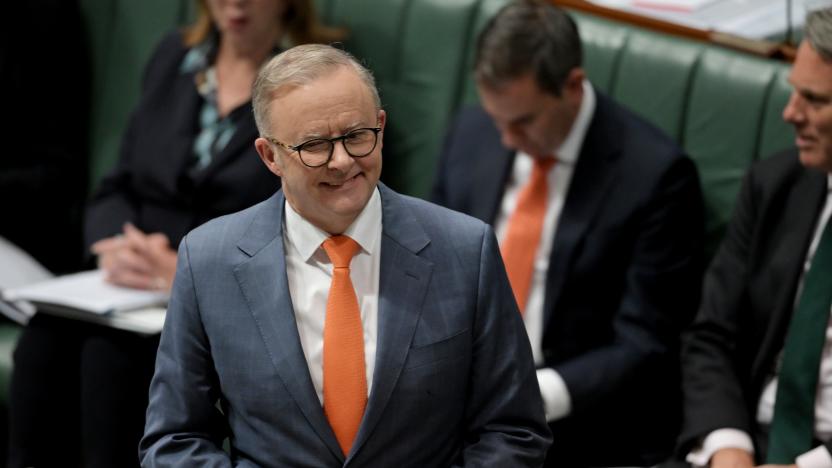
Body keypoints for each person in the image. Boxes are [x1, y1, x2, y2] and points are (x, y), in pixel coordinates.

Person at [140, 43, 552, 467]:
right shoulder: (208, 261)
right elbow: (175, 438)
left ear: (381, 126)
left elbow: (513, 429)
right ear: (270, 156)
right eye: (315, 146)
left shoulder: (466, 251)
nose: (342, 162)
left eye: (357, 137)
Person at [8, 1, 343, 467]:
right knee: (44, 340)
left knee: (110, 358)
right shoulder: (175, 55)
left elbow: (315, 215)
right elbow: (117, 183)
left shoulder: (314, 78)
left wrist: (190, 271)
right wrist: (115, 247)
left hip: (231, 285)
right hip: (132, 284)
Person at [431, 1, 705, 466]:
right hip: (454, 388)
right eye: (498, 119)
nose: (507, 141)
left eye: (523, 122)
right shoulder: (472, 132)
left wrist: (526, 394)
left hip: (573, 418)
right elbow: (431, 262)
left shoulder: (655, 176)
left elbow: (645, 344)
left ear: (573, 86)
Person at [677, 7, 832, 468]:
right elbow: (710, 336)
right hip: (743, 444)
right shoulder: (774, 186)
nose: (790, 113)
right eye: (792, 93)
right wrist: (729, 448)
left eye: (815, 99)